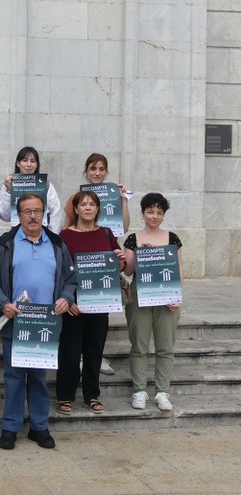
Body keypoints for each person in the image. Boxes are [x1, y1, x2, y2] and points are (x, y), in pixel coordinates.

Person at [0, 193, 77, 450]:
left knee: (38, 377)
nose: (33, 216)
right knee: (13, 377)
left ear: (44, 214)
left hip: (45, 324)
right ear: (19, 215)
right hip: (15, 322)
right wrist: (4, 304)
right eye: (27, 211)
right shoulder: (5, 244)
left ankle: (39, 426)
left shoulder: (57, 244)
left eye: (37, 211)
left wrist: (66, 298)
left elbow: (70, 280)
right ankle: (10, 427)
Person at [56, 191, 125, 415]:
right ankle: (65, 396)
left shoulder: (106, 234)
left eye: (92, 204)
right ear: (75, 209)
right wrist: (66, 299)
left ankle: (91, 395)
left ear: (97, 209)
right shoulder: (65, 235)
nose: (87, 208)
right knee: (69, 351)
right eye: (83, 204)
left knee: (94, 350)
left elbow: (117, 267)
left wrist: (121, 261)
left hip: (100, 303)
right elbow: (59, 271)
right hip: (74, 304)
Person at [63, 152, 131, 376]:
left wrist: (123, 199)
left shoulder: (113, 196)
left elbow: (124, 227)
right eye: (93, 168)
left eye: (101, 169)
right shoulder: (75, 198)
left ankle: (95, 358)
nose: (97, 173)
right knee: (78, 323)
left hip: (104, 255)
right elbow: (67, 228)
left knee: (99, 317)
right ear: (86, 171)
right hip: (81, 262)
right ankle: (81, 358)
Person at [124, 193, 182, 412]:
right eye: (150, 212)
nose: (154, 216)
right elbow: (128, 271)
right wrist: (141, 254)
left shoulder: (172, 238)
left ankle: (162, 391)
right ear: (142, 213)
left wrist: (176, 296)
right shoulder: (133, 239)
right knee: (139, 344)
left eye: (159, 212)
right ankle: (139, 390)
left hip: (167, 295)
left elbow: (178, 270)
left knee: (165, 346)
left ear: (164, 215)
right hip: (140, 294)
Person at [0, 146, 63, 233]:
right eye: (25, 160)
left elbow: (55, 213)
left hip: (42, 234)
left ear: (37, 164)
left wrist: (53, 236)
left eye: (33, 161)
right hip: (17, 234)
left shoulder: (45, 185)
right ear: (18, 163)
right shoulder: (8, 184)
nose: (29, 164)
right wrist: (8, 191)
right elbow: (5, 216)